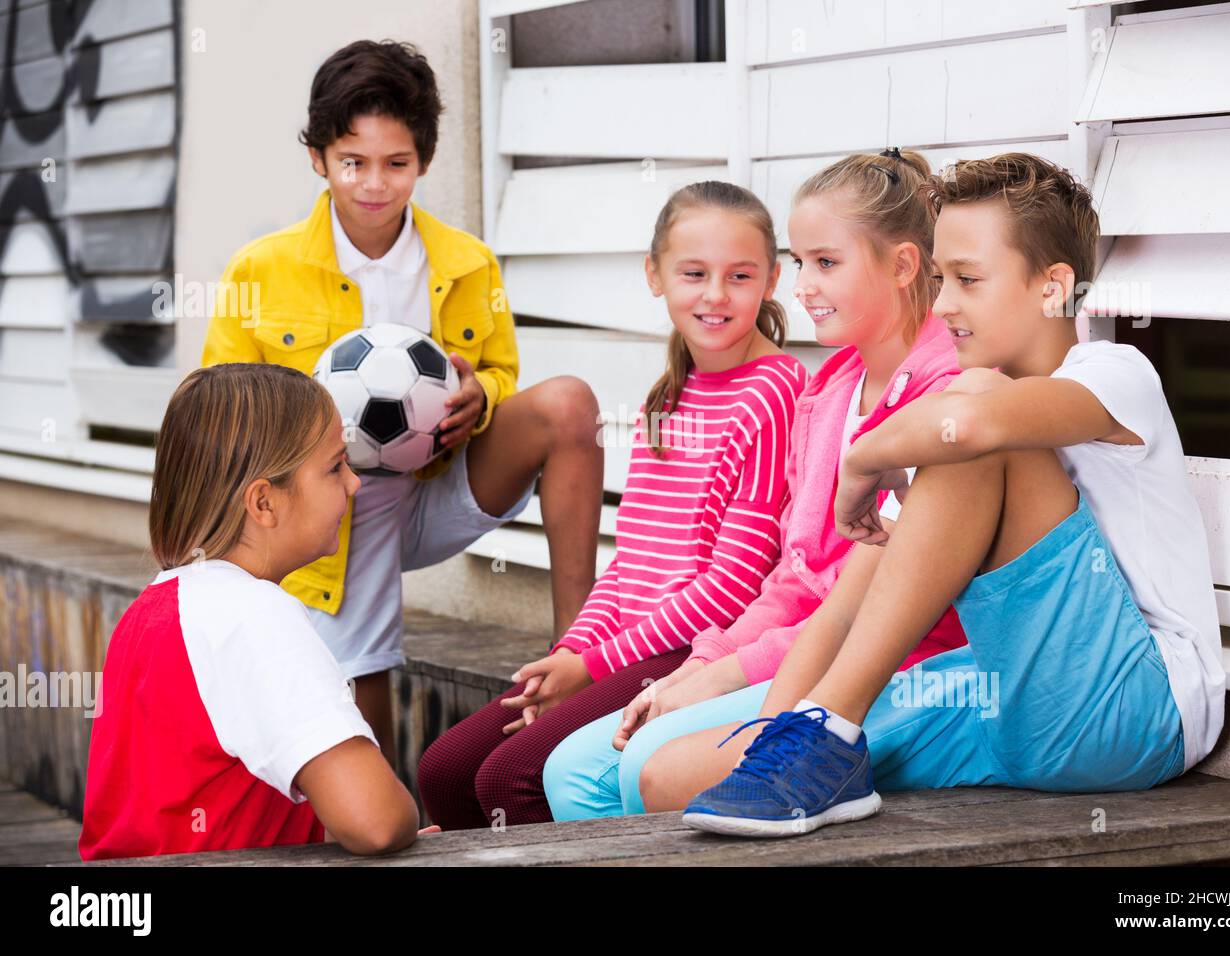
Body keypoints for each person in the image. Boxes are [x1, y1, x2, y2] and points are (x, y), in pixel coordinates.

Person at [680, 153, 1225, 838]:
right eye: (940, 280)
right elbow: (851, 610)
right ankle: (812, 739)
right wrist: (771, 733)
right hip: (1009, 696)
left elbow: (972, 424)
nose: (941, 306)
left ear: (1054, 287)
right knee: (671, 774)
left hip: (1135, 707)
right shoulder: (956, 437)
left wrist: (865, 454)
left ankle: (831, 733)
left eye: (967, 280)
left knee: (973, 410)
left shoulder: (1115, 374)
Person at [200, 40, 603, 764]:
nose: (375, 184)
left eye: (397, 164)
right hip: (330, 506)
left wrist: (480, 399)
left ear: (422, 161)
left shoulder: (467, 262)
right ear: (319, 160)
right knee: (356, 499)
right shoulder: (260, 269)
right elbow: (221, 412)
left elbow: (504, 375)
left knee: (570, 401)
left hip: (440, 488)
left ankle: (578, 654)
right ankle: (378, 801)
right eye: (353, 162)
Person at [543, 149, 967, 821]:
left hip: (898, 665)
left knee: (642, 765)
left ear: (904, 264)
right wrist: (699, 664)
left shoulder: (946, 395)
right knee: (569, 772)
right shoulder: (829, 391)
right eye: (801, 264)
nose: (801, 287)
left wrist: (718, 676)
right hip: (796, 650)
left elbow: (871, 605)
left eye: (826, 263)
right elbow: (796, 578)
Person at [416, 181, 808, 829]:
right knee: (444, 770)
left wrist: (592, 667)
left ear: (770, 281)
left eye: (739, 275)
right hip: (628, 642)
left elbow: (733, 585)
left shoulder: (774, 393)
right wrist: (570, 655)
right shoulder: (668, 395)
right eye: (693, 273)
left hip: (688, 653)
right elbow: (629, 566)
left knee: (509, 779)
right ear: (654, 275)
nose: (715, 295)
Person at [80, 364, 422, 860]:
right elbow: (377, 820)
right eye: (334, 467)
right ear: (263, 502)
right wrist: (404, 822)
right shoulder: (254, 615)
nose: (354, 485)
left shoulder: (151, 609)